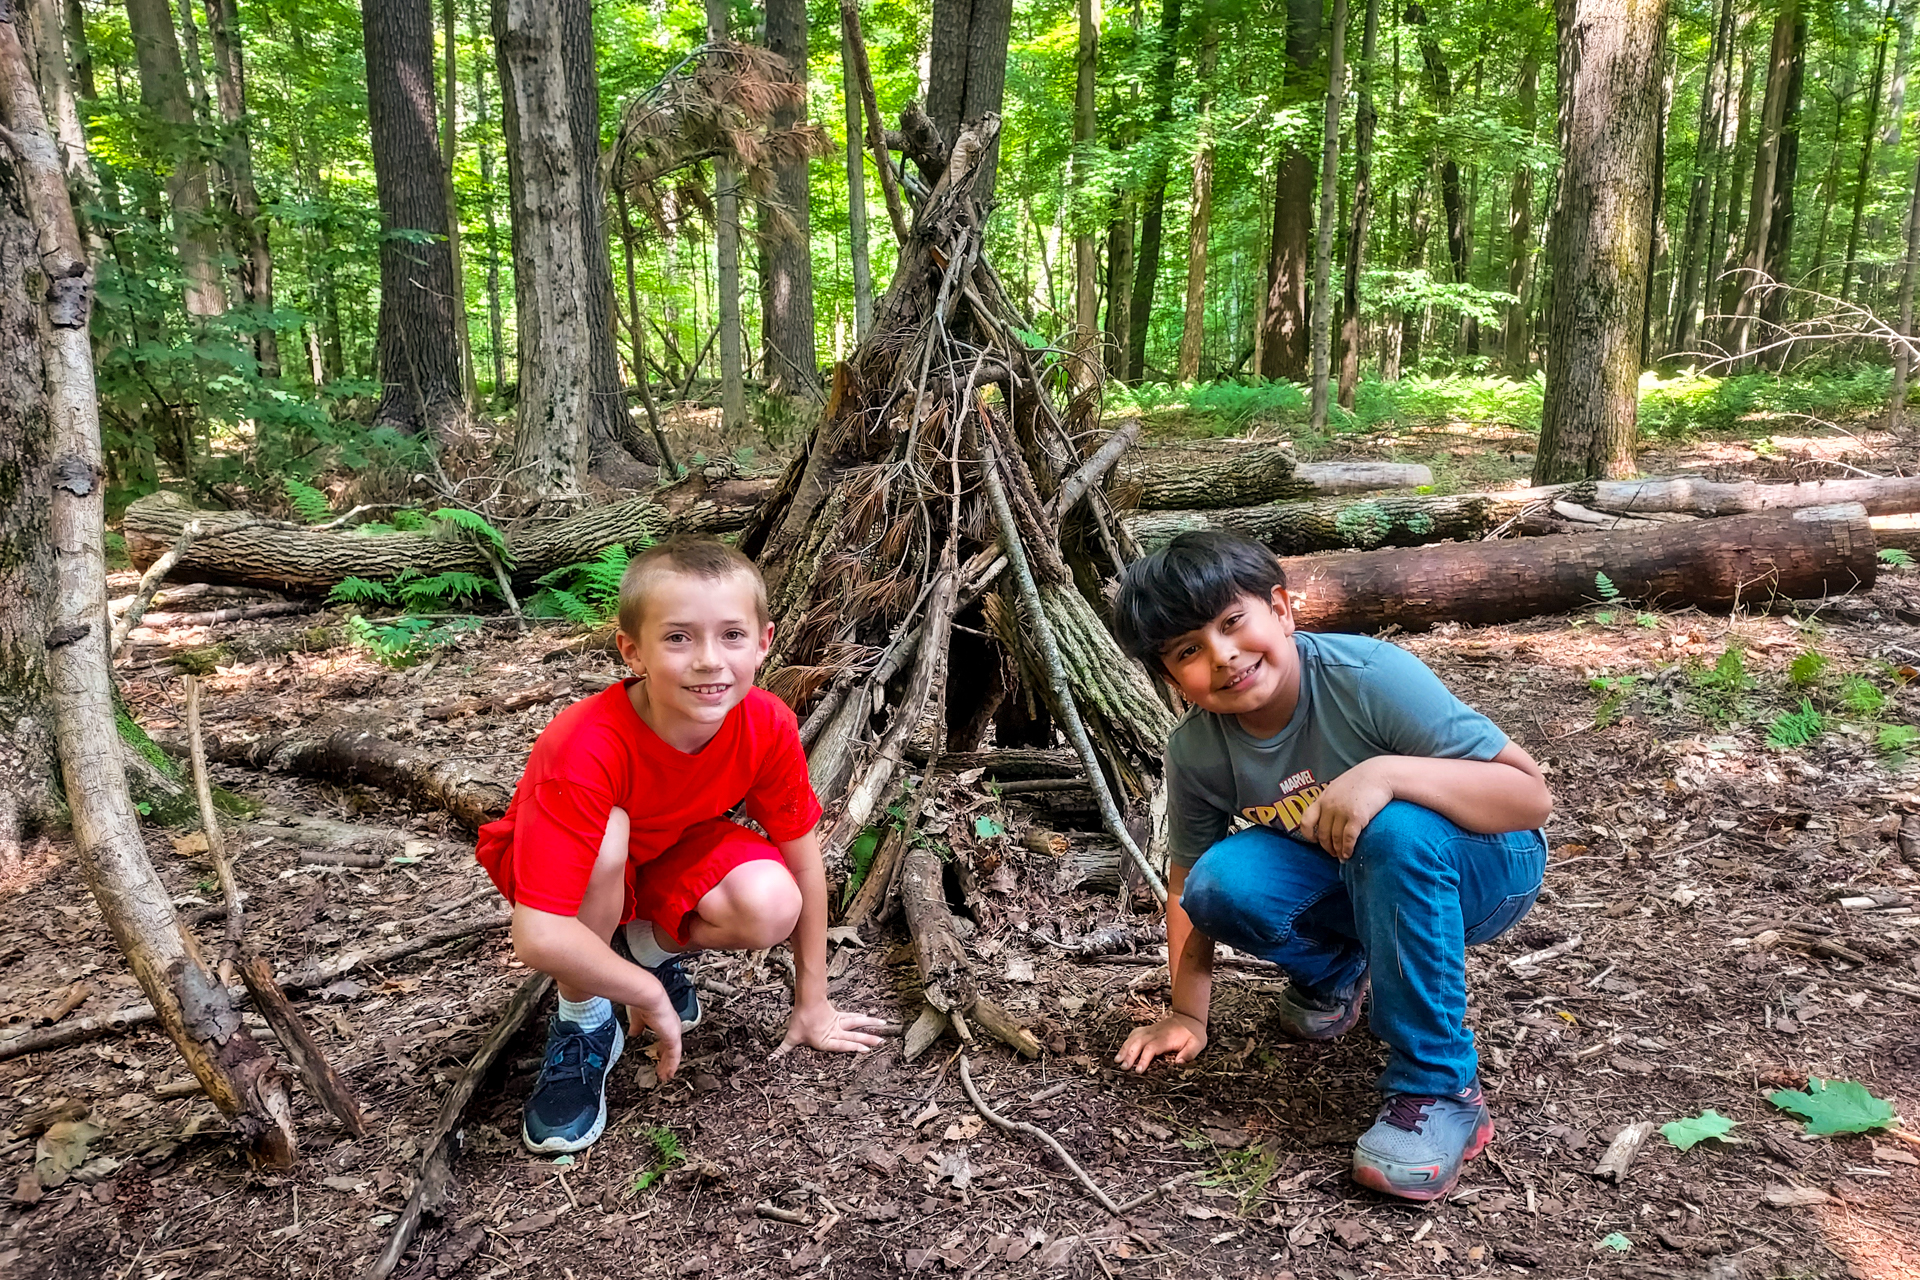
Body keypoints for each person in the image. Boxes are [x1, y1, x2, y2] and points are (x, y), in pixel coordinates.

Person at [1109, 531, 1553, 1201]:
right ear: (1171, 680)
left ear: (1281, 610)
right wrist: (1187, 1016)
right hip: (1361, 879)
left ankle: (1441, 1088)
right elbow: (1186, 885)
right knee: (1222, 882)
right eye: (1189, 651)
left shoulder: (1366, 677)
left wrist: (1387, 774)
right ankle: (1339, 977)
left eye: (1234, 624)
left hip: (1487, 868)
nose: (1224, 656)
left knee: (1396, 826)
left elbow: (1528, 798)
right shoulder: (1198, 751)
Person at [475, 537, 885, 1154]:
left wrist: (814, 1004)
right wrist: (645, 999)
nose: (709, 661)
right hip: (578, 866)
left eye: (731, 636)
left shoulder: (766, 721)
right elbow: (536, 935)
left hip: (666, 854)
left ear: (764, 642)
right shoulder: (582, 746)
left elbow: (804, 860)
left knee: (772, 900)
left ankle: (645, 947)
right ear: (632, 651)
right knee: (608, 840)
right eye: (678, 638)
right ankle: (584, 1020)